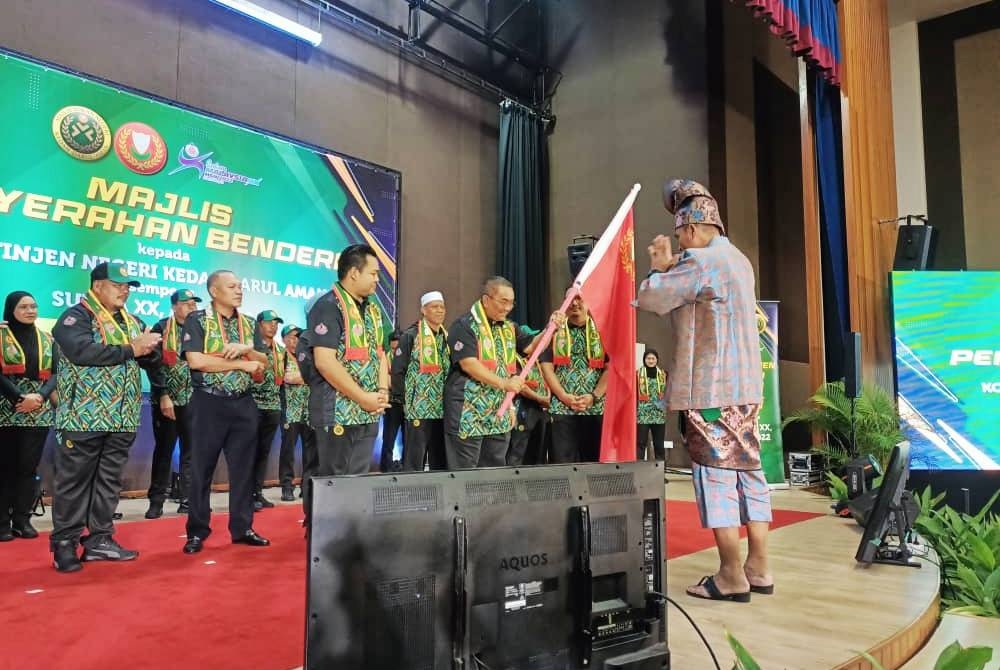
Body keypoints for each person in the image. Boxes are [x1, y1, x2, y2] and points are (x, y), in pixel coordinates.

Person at [637, 178, 772, 603]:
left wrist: (659, 267)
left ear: (692, 230)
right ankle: (758, 566)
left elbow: (652, 298)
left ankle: (731, 574)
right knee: (749, 473)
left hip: (711, 392)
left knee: (715, 477)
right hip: (746, 388)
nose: (678, 244)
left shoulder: (699, 262)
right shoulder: (740, 260)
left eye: (679, 236)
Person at [49, 262, 162, 572]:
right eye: (118, 284)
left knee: (108, 483)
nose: (125, 290)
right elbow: (82, 352)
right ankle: (64, 544)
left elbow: (147, 358)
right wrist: (132, 348)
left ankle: (100, 540)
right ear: (98, 286)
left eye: (128, 286)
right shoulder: (76, 317)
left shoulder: (132, 321)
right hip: (84, 418)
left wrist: (149, 349)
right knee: (74, 484)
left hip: (122, 417)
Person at [299, 245, 391, 524]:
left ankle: (352, 534)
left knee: (359, 479)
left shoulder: (373, 310)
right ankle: (327, 540)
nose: (378, 279)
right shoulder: (327, 306)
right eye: (373, 273)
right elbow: (325, 362)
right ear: (353, 273)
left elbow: (379, 354)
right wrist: (363, 396)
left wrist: (382, 392)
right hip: (336, 410)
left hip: (368, 410)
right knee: (334, 481)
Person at [180, 270, 270, 555]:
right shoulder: (198, 320)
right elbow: (196, 361)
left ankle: (242, 528)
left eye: (241, 286)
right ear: (214, 292)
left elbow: (263, 361)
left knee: (243, 470)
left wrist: (247, 351)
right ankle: (196, 531)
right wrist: (242, 364)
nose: (239, 290)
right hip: (209, 402)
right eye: (231, 286)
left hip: (243, 403)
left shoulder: (248, 323)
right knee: (201, 469)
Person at [443, 276, 563, 469]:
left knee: (494, 472)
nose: (508, 308)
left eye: (511, 303)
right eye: (503, 301)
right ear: (486, 299)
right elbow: (469, 364)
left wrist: (551, 328)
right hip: (468, 413)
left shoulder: (509, 327)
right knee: (465, 476)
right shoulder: (464, 325)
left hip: (499, 413)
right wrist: (504, 383)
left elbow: (532, 347)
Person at [0, 291, 58, 541]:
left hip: (38, 409)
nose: (30, 311)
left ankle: (22, 519)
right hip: (6, 406)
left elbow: (56, 373)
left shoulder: (47, 339)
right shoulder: (0, 336)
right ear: (11, 310)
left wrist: (41, 397)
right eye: (23, 307)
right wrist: (18, 398)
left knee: (28, 466)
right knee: (4, 467)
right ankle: (2, 522)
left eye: (33, 306)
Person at [145, 288, 201, 518]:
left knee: (191, 451)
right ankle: (156, 500)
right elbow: (153, 365)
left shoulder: (200, 329)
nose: (192, 307)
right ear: (174, 306)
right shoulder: (160, 328)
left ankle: (187, 499)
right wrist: (163, 394)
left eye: (194, 304)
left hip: (193, 400)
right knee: (164, 450)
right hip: (167, 400)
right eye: (187, 303)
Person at [540, 293, 609, 463]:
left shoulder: (603, 330)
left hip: (595, 407)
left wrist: (593, 396)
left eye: (580, 298)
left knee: (594, 462)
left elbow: (611, 368)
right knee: (562, 463)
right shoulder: (555, 330)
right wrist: (563, 396)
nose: (575, 303)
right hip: (562, 408)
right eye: (570, 299)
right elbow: (546, 366)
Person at [394, 291, 450, 472]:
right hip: (417, 407)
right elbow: (398, 371)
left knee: (440, 458)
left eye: (442, 307)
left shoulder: (447, 337)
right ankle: (412, 495)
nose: (440, 311)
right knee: (414, 459)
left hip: (442, 408)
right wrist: (403, 401)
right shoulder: (410, 336)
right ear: (423, 310)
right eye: (434, 307)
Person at [277, 324, 316, 503]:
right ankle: (287, 486)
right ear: (284, 339)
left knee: (311, 450)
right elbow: (286, 378)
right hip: (290, 411)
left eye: (298, 337)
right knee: (288, 450)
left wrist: (303, 378)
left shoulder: (307, 356)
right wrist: (305, 378)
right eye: (291, 337)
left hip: (308, 410)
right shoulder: (281, 356)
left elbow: (315, 376)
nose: (295, 341)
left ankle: (306, 486)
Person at [251, 309, 286, 511]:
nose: (273, 326)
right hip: (253, 405)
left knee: (263, 453)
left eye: (276, 323)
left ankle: (258, 492)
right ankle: (247, 494)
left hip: (273, 407)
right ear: (259, 325)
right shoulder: (251, 348)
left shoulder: (280, 351)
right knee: (250, 452)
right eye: (269, 322)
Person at [505, 347, 550, 466]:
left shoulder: (536, 360)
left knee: (538, 453)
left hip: (539, 411)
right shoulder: (515, 359)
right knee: (517, 452)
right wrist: (540, 398)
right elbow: (521, 387)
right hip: (523, 409)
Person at [379, 330, 405, 472]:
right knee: (388, 438)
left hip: (407, 404)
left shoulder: (408, 358)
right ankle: (386, 467)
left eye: (398, 349)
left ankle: (406, 465)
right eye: (393, 348)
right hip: (391, 404)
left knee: (409, 438)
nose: (395, 352)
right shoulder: (386, 359)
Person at [637, 349, 668, 461]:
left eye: (653, 358)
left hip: (659, 415)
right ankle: (639, 472)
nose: (650, 361)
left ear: (657, 360)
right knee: (640, 444)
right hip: (643, 415)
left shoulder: (664, 374)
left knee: (659, 445)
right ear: (644, 360)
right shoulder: (637, 374)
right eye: (648, 358)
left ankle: (660, 475)